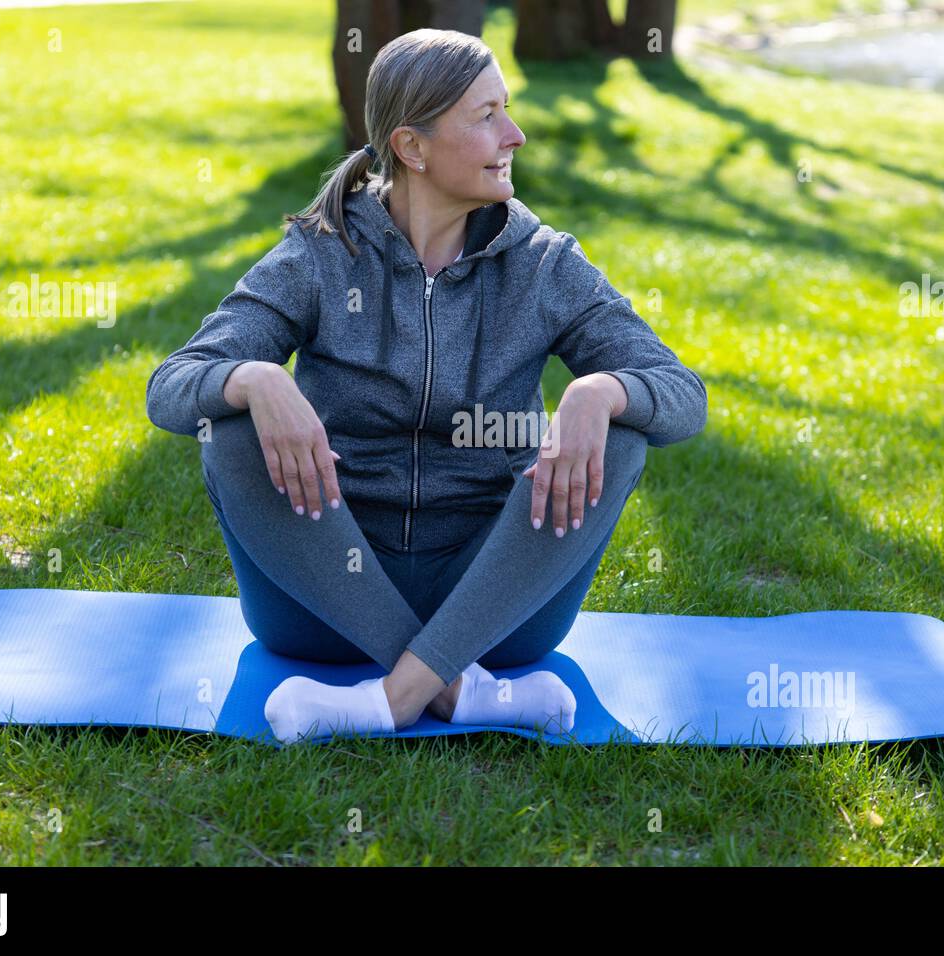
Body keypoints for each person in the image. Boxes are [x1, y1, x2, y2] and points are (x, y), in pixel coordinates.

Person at [144, 29, 708, 744]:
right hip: (323, 602)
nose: (517, 134)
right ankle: (453, 689)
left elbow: (682, 395)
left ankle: (395, 697)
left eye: (508, 109)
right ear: (412, 148)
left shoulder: (543, 265)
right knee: (228, 427)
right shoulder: (321, 255)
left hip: (494, 605)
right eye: (486, 116)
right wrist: (254, 378)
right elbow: (171, 387)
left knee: (620, 434)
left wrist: (599, 393)